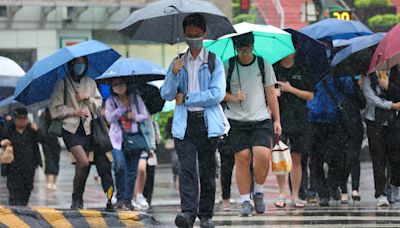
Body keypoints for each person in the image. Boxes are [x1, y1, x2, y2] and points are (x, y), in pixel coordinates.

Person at [160, 13, 226, 228]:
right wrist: (172, 73)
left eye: (197, 35)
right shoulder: (178, 62)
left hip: (207, 123)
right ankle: (188, 212)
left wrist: (188, 98)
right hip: (185, 124)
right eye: (189, 35)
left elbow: (217, 94)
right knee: (186, 169)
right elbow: (167, 94)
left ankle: (206, 215)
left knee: (207, 171)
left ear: (204, 34)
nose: (193, 39)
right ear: (184, 35)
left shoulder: (214, 61)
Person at [223, 32, 281, 216]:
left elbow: (271, 93)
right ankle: (245, 201)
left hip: (261, 119)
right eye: (241, 48)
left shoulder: (263, 64)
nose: (244, 52)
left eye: (247, 47)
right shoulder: (228, 65)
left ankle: (259, 191)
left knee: (263, 156)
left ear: (253, 45)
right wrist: (233, 97)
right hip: (236, 120)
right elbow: (217, 92)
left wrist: (277, 120)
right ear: (236, 48)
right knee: (242, 157)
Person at [50, 56, 103, 209]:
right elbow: (55, 109)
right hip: (70, 130)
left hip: (87, 130)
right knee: (83, 162)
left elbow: (98, 105)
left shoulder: (90, 82)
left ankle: (79, 199)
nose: (80, 66)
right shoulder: (63, 83)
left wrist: (87, 99)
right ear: (71, 64)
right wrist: (75, 111)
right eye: (77, 63)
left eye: (83, 63)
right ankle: (76, 198)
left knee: (84, 167)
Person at [273, 50, 316, 208]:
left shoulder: (302, 69)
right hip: (280, 118)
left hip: (300, 119)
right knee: (280, 156)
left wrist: (291, 89)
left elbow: (310, 95)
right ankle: (282, 192)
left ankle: (295, 194)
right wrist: (273, 93)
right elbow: (267, 91)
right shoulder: (274, 68)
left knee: (296, 157)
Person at [105, 78, 148, 211]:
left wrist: (133, 116)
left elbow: (144, 115)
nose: (119, 87)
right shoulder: (111, 101)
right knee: (119, 167)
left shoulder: (135, 98)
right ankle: (120, 198)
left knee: (132, 172)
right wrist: (122, 108)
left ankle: (128, 200)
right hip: (117, 140)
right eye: (115, 85)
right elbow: (109, 118)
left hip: (134, 138)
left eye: (121, 84)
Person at [363, 69, 400, 207]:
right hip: (374, 122)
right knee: (378, 159)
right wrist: (390, 105)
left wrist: (389, 86)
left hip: (393, 123)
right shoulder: (369, 75)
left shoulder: (395, 74)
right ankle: (381, 193)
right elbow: (371, 98)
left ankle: (393, 187)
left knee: (394, 158)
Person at [1, 107, 42, 206]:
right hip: (12, 167)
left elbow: (43, 140)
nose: (22, 121)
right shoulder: (8, 130)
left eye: (24, 118)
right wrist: (3, 142)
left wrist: (37, 130)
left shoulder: (31, 131)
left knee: (27, 191)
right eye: (19, 118)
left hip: (29, 166)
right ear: (15, 119)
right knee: (14, 193)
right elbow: (2, 140)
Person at [39, 108, 61, 191]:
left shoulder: (56, 115)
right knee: (50, 161)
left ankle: (52, 183)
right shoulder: (44, 116)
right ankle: (50, 182)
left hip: (54, 141)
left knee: (54, 161)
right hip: (48, 141)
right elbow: (42, 130)